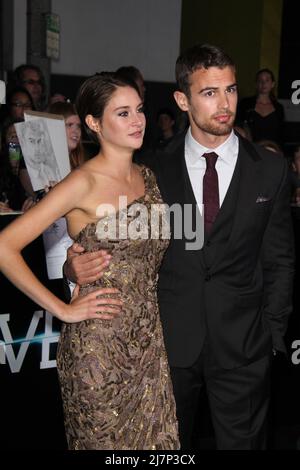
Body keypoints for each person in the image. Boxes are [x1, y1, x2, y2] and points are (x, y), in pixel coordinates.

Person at [65, 44, 295, 449]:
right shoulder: (150, 169)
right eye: (209, 93)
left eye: (230, 90)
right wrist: (72, 268)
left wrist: (273, 335)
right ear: (182, 99)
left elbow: (279, 260)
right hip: (167, 345)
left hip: (244, 346)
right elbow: (113, 242)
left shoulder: (271, 169)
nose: (224, 104)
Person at [0, 71, 179, 450]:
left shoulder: (147, 177)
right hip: (98, 351)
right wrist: (62, 310)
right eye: (123, 113)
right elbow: (4, 246)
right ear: (94, 123)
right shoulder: (81, 182)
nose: (138, 120)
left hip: (148, 347)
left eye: (140, 110)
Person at [236, 68, 285, 144]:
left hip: (272, 151)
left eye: (267, 80)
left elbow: (282, 134)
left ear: (272, 84)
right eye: (260, 80)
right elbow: (237, 125)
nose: (263, 83)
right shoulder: (245, 104)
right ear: (256, 84)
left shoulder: (279, 108)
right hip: (249, 149)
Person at [16, 119, 61, 190]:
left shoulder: (49, 170)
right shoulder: (22, 171)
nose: (37, 148)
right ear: (22, 142)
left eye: (39, 141)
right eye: (32, 141)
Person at [48, 101, 87, 169]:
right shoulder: (41, 163)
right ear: (54, 126)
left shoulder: (82, 162)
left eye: (78, 126)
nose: (76, 130)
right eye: (69, 125)